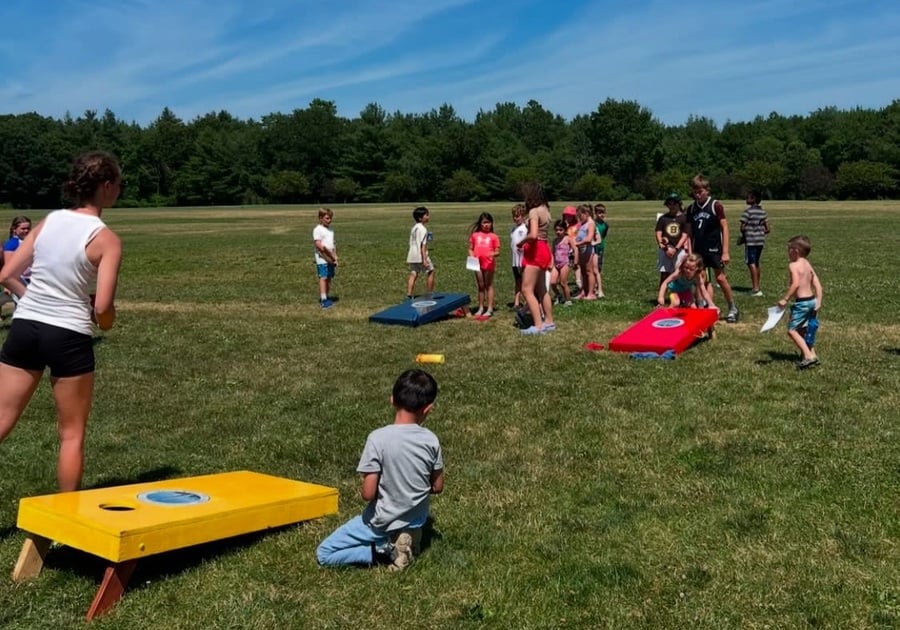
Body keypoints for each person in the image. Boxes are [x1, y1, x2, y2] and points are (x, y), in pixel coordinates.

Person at [0, 151, 123, 492]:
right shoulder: (107, 240)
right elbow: (102, 310)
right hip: (68, 335)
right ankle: (66, 527)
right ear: (107, 186)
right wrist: (108, 322)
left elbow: (7, 274)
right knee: (71, 434)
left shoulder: (49, 221)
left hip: (25, 327)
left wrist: (35, 303)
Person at [316, 369, 444, 571]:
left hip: (381, 521)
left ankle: (386, 549)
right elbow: (437, 486)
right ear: (428, 409)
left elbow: (368, 494)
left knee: (324, 553)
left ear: (392, 400)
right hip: (416, 517)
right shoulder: (431, 440)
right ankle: (410, 535)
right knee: (409, 522)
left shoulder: (378, 438)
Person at [687, 174, 739, 322]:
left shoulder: (715, 205)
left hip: (714, 248)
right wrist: (690, 251)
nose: (698, 194)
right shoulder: (691, 209)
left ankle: (732, 307)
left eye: (700, 191)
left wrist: (726, 251)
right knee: (700, 279)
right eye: (695, 191)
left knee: (720, 278)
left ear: (707, 190)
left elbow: (724, 227)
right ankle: (705, 307)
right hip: (699, 250)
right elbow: (690, 232)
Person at [777, 235, 823, 369]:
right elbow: (817, 284)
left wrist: (785, 299)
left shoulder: (793, 265)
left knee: (792, 330)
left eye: (789, 249)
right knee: (803, 329)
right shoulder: (807, 263)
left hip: (802, 303)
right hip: (812, 301)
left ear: (795, 251)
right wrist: (819, 301)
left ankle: (808, 357)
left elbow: (795, 284)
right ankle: (812, 354)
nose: (787, 253)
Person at [517, 183, 555, 335]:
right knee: (542, 289)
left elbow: (533, 235)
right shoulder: (545, 209)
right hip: (545, 248)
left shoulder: (533, 211)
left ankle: (538, 325)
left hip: (536, 250)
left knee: (527, 289)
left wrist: (521, 242)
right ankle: (549, 322)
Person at [468, 212, 501, 318]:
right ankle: (481, 307)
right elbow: (470, 248)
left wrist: (492, 254)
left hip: (489, 263)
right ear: (480, 224)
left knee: (488, 285)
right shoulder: (475, 235)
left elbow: (497, 251)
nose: (486, 225)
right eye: (484, 223)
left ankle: (490, 308)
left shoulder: (494, 237)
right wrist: (472, 256)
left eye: (489, 222)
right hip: (476, 263)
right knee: (481, 286)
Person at [655, 193, 691, 287]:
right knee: (664, 273)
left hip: (679, 249)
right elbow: (658, 232)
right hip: (665, 249)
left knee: (680, 273)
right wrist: (663, 245)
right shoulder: (663, 218)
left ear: (679, 204)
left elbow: (685, 235)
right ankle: (662, 296)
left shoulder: (684, 218)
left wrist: (676, 249)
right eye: (669, 204)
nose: (672, 206)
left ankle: (681, 295)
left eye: (674, 204)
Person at [739, 190, 770, 297]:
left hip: (751, 241)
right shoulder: (763, 212)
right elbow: (768, 229)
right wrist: (759, 231)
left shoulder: (747, 212)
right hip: (760, 241)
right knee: (756, 262)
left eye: (748, 197)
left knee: (750, 262)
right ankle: (757, 285)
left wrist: (745, 235)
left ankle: (755, 288)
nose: (746, 199)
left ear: (753, 199)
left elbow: (742, 227)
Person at [406, 206, 434, 299]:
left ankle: (409, 294)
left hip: (412, 254)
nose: (428, 216)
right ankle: (430, 293)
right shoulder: (423, 229)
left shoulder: (414, 228)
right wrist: (424, 259)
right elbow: (423, 245)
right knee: (431, 271)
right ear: (420, 218)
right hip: (420, 254)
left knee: (414, 272)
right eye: (426, 215)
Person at [313, 207, 337, 309]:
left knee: (329, 277)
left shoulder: (330, 230)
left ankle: (327, 296)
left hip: (331, 257)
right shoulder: (317, 229)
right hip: (322, 257)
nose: (329, 220)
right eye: (327, 218)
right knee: (323, 277)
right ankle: (323, 300)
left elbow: (333, 244)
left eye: (330, 218)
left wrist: (335, 256)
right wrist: (329, 255)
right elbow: (318, 245)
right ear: (320, 218)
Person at [549, 219, 575, 306]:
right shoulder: (555, 241)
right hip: (556, 264)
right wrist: (551, 264)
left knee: (563, 283)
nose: (558, 232)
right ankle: (558, 295)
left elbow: (575, 249)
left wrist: (575, 261)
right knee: (552, 282)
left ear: (565, 230)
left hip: (565, 263)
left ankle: (568, 300)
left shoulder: (568, 239)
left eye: (560, 230)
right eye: (556, 230)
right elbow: (553, 253)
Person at [573, 204, 596, 300]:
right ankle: (583, 291)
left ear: (586, 214)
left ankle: (590, 293)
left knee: (589, 271)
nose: (579, 218)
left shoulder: (591, 223)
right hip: (581, 250)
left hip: (587, 250)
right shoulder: (583, 224)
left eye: (580, 216)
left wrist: (578, 243)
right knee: (583, 271)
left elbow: (589, 238)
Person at [509, 204, 527, 309]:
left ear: (523, 216)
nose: (516, 218)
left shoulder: (525, 228)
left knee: (525, 281)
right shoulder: (513, 229)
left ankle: (526, 302)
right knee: (517, 281)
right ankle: (516, 302)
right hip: (515, 260)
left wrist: (524, 248)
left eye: (518, 216)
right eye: (514, 216)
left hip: (523, 260)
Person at [592, 203, 609, 298]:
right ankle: (593, 285)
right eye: (599, 213)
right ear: (595, 213)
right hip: (592, 247)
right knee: (592, 268)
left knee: (598, 267)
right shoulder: (593, 224)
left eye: (603, 213)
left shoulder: (605, 225)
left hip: (600, 247)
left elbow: (603, 236)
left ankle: (597, 285)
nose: (601, 215)